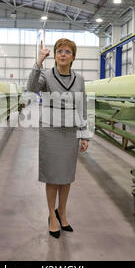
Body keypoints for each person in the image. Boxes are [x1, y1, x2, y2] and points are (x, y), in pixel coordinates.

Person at [27, 38, 90, 238]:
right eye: (59, 51)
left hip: (71, 132)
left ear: (73, 57)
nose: (63, 54)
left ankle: (62, 212)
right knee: (52, 177)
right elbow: (30, 89)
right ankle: (51, 216)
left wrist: (84, 133)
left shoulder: (79, 79)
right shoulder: (45, 75)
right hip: (51, 130)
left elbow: (83, 106)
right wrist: (39, 61)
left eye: (67, 52)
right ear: (54, 55)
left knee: (66, 177)